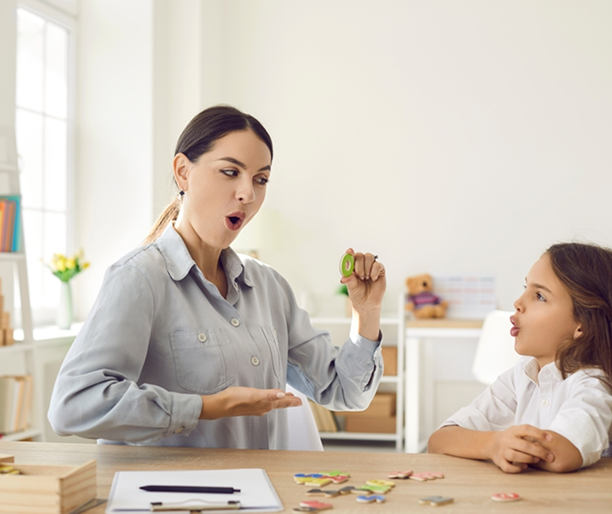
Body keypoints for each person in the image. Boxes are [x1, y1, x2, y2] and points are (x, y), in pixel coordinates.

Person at [48, 105, 387, 449]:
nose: (248, 194)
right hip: (171, 499)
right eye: (230, 172)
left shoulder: (270, 287)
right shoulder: (139, 279)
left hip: (265, 496)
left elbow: (345, 392)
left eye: (261, 179)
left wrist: (367, 313)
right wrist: (207, 407)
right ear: (183, 172)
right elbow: (73, 405)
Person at [427, 242, 612, 473]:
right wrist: (493, 445)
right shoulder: (523, 375)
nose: (518, 303)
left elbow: (561, 454)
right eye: (525, 288)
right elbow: (440, 440)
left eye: (539, 296)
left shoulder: (595, 386)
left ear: (583, 325)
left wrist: (500, 445)